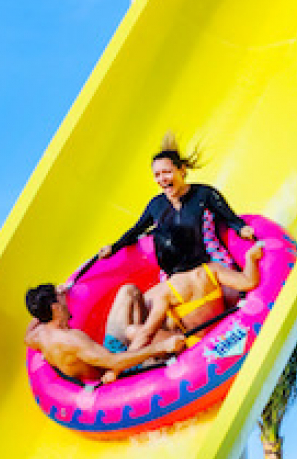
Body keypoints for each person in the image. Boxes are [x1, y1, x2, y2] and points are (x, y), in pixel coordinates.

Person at [98, 137, 257, 267]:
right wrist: (114, 247)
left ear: (182, 170)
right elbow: (137, 230)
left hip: (212, 261)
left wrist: (242, 229)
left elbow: (231, 219)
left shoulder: (204, 194)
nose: (162, 179)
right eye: (157, 175)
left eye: (167, 172)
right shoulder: (156, 205)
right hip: (177, 270)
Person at [119, 222, 264, 351]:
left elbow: (147, 334)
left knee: (133, 331)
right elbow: (249, 282)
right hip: (222, 328)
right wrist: (250, 258)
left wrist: (125, 362)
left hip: (195, 344)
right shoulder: (211, 269)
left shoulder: (167, 291)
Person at [24, 284, 183, 386]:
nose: (63, 295)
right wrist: (161, 347)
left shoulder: (38, 335)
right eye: (59, 295)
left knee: (129, 291)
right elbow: (114, 362)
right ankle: (150, 335)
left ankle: (143, 331)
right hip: (116, 372)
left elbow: (26, 337)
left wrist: (43, 309)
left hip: (107, 352)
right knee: (164, 338)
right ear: (55, 308)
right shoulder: (72, 340)